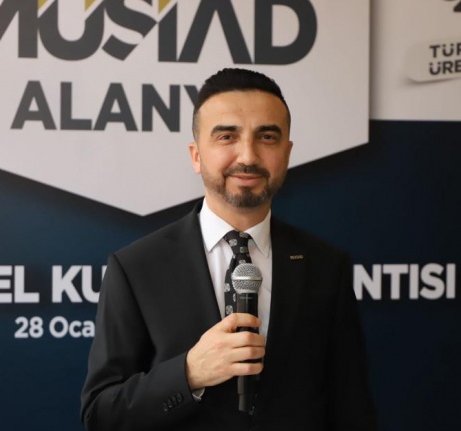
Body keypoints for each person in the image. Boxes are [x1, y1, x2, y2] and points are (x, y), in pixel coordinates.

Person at [80, 68, 375, 430]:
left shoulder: (326, 265)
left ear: (287, 153)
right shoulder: (136, 267)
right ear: (196, 155)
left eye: (267, 137)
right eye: (227, 136)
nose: (248, 155)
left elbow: (351, 407)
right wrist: (189, 373)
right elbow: (100, 414)